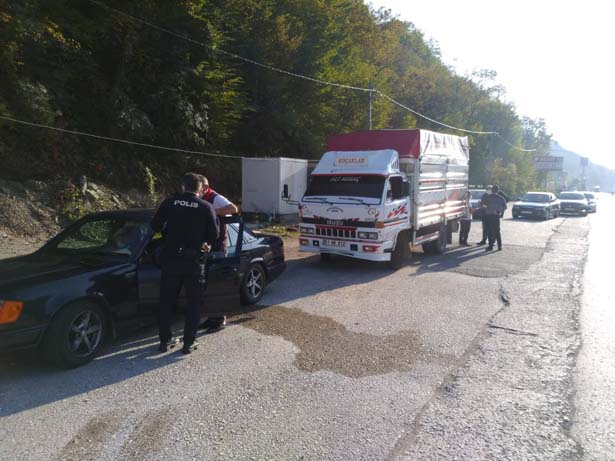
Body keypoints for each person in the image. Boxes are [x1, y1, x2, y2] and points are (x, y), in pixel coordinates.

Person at [151, 173, 219, 354]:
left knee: (166, 302)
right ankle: (189, 342)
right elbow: (214, 235)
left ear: (183, 186)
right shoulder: (206, 206)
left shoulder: (169, 203)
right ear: (200, 188)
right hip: (193, 262)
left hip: (171, 260)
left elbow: (155, 226)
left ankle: (165, 341)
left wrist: (169, 234)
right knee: (194, 304)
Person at [198, 174, 239, 334]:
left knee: (217, 283)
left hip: (218, 247)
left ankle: (220, 319)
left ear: (205, 188)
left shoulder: (215, 198)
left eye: (199, 188)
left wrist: (211, 211)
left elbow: (233, 209)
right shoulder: (200, 198)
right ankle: (211, 317)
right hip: (207, 246)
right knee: (207, 284)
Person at [481, 185, 507, 251]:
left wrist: (486, 208)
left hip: (489, 216)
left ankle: (491, 246)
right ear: (498, 191)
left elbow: (483, 205)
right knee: (497, 231)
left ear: (492, 190)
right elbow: (505, 207)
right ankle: (499, 246)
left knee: (489, 231)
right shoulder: (501, 198)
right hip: (496, 216)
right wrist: (499, 211)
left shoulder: (488, 197)